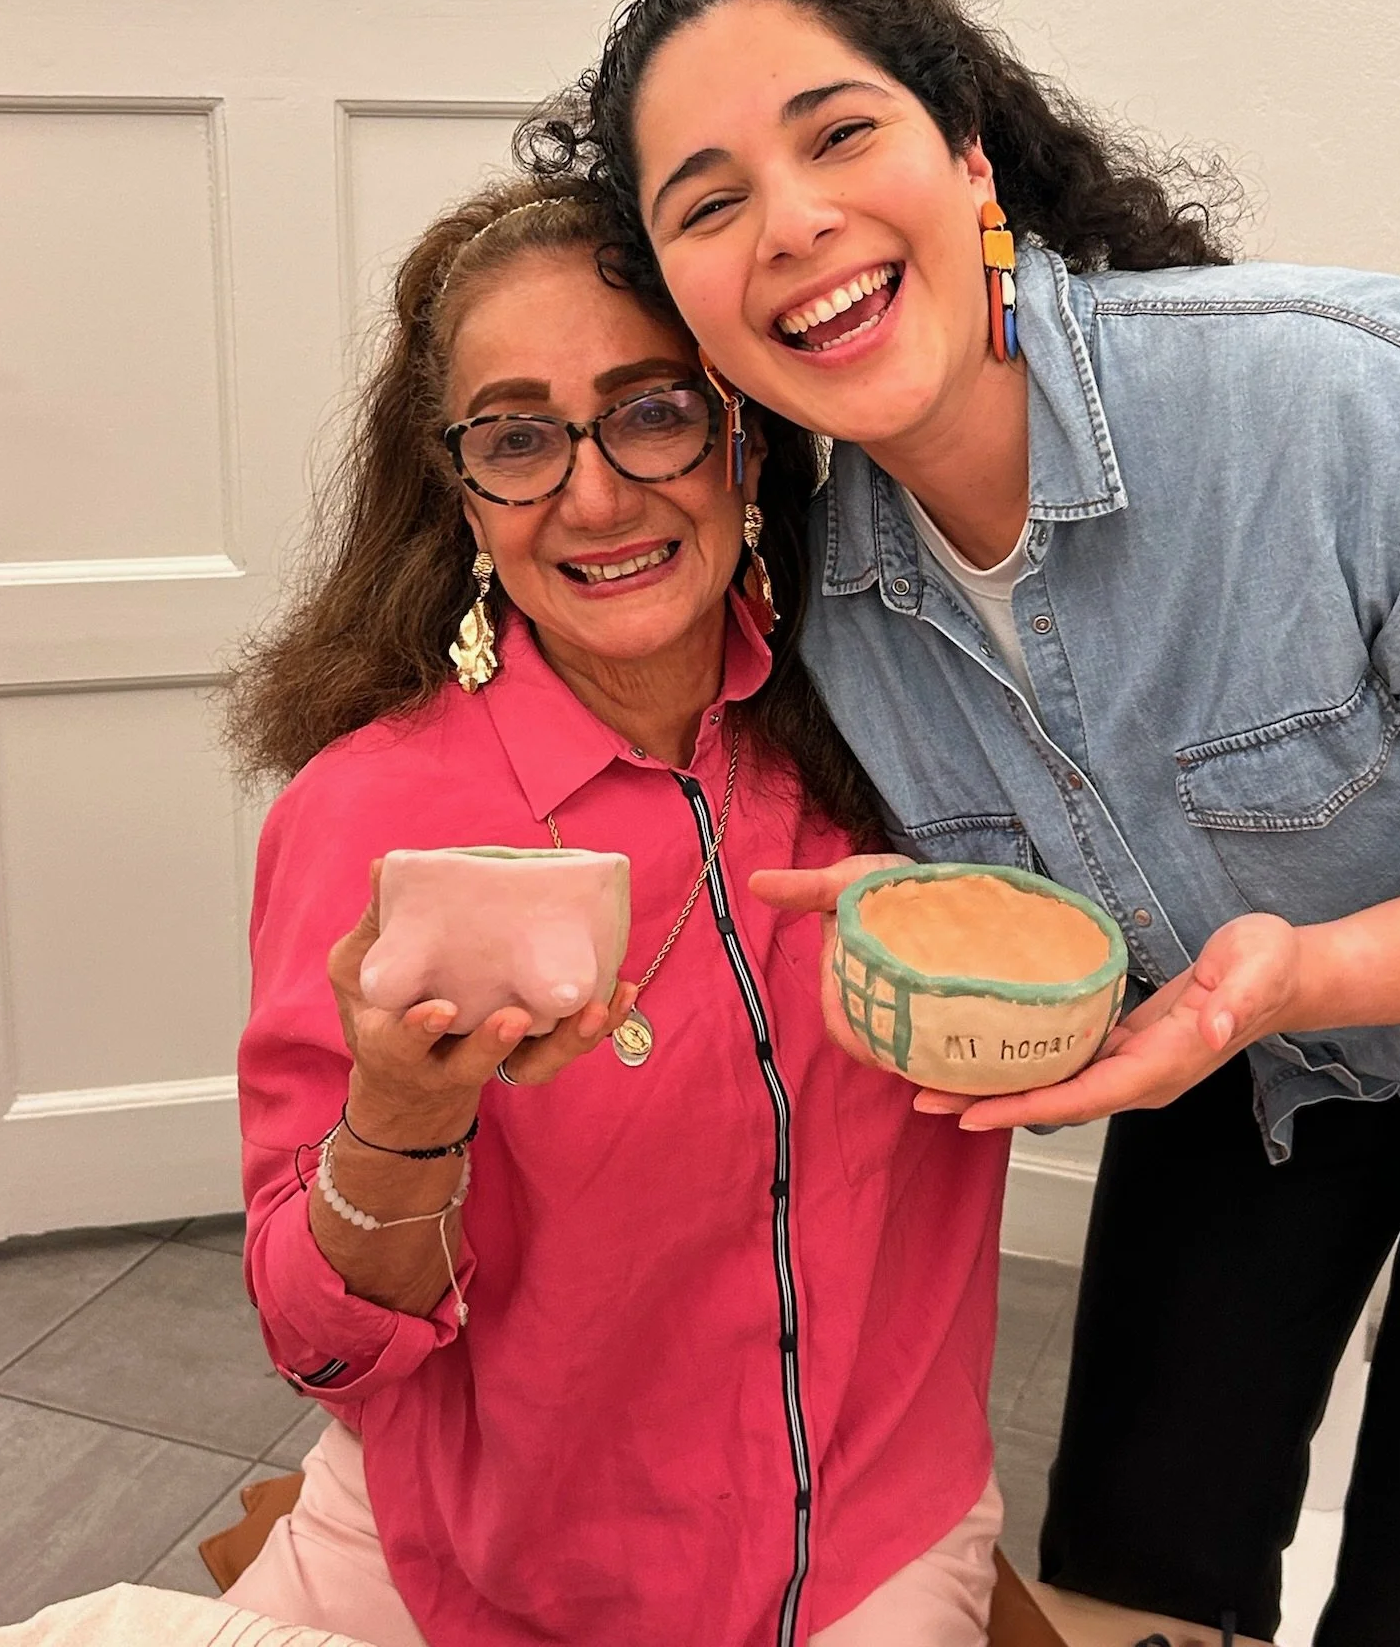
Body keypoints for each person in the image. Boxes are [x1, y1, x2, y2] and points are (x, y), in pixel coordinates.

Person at [517, 0, 1400, 1647]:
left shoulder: (1336, 402)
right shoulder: (832, 595)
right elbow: (1112, 924)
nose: (791, 224)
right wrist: (966, 940)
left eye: (840, 136)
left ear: (971, 160)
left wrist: (1301, 972)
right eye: (708, 204)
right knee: (1131, 1567)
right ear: (685, 301)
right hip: (1258, 1056)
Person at [224, 178, 1012, 1647]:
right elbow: (316, 1343)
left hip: (862, 1542)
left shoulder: (915, 730)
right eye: (518, 437)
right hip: (463, 1552)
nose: (592, 495)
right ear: (461, 490)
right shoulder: (364, 816)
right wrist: (398, 1128)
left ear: (745, 435)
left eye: (651, 410)